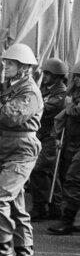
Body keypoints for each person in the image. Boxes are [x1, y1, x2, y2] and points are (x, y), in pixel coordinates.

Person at [0, 44, 43, 256]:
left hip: (22, 151)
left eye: (11, 64)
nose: (5, 67)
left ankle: (4, 249)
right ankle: (24, 254)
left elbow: (11, 117)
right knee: (16, 204)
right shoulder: (9, 88)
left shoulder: (29, 91)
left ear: (24, 67)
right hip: (6, 149)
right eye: (5, 63)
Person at [28, 58, 68, 220]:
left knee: (39, 169)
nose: (44, 76)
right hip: (41, 135)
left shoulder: (62, 93)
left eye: (48, 74)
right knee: (49, 172)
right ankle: (54, 207)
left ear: (57, 76)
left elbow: (45, 109)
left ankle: (41, 207)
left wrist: (32, 102)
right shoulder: (45, 89)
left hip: (51, 137)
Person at [48, 61, 80, 235]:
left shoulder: (70, 99)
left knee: (73, 178)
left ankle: (67, 220)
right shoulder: (72, 94)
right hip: (71, 141)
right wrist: (58, 136)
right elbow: (63, 118)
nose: (78, 79)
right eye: (77, 76)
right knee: (68, 177)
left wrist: (70, 107)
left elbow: (73, 111)